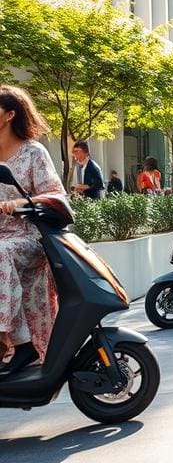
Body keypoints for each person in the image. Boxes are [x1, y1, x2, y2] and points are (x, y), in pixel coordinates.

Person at [0, 86, 65, 376]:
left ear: (9, 115)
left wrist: (15, 204)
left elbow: (56, 195)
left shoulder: (32, 153)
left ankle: (20, 343)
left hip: (27, 238)